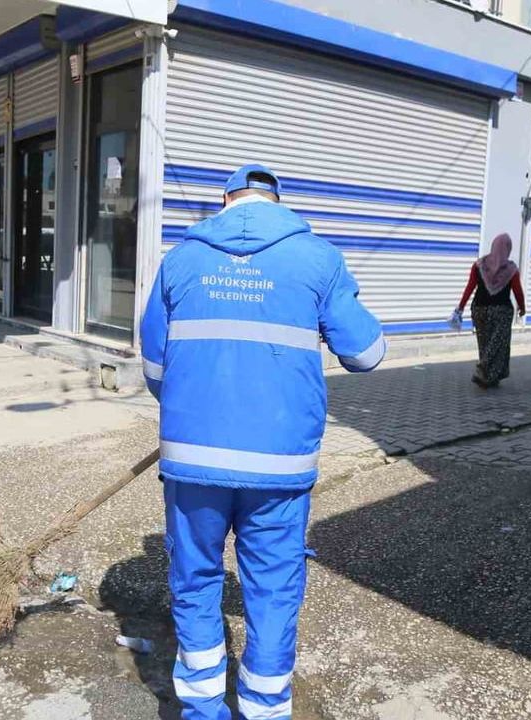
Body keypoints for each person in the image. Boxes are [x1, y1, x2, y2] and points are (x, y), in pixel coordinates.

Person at [141, 164, 385, 720]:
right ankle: (265, 711)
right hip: (279, 465)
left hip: (193, 458)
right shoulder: (319, 258)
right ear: (278, 202)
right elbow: (368, 355)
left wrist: (199, 408)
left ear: (224, 201)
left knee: (196, 579)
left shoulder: (181, 259)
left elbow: (155, 367)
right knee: (273, 591)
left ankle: (202, 710)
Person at [454, 232, 526, 388]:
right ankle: (483, 370)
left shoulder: (479, 265)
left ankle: (489, 377)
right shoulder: (511, 269)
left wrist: (461, 306)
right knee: (498, 345)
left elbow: (470, 287)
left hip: (479, 309)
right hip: (501, 312)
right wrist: (522, 307)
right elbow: (517, 291)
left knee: (485, 344)